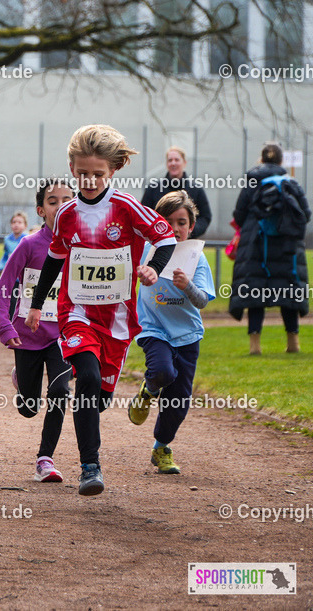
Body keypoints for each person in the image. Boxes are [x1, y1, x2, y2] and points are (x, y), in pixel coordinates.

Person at [26, 124, 177, 496]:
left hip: (118, 320)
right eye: (82, 173)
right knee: (88, 378)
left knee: (99, 397)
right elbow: (54, 260)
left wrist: (153, 268)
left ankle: (94, 409)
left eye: (97, 174)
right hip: (76, 312)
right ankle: (90, 467)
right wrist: (36, 305)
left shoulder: (126, 208)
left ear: (113, 170)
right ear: (72, 169)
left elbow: (165, 237)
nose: (89, 181)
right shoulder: (66, 214)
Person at [128, 191, 214, 475]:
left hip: (187, 335)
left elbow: (202, 300)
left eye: (181, 222)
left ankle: (161, 447)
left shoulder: (197, 258)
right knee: (163, 371)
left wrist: (187, 285)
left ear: (191, 226)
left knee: (178, 401)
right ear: (157, 223)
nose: (175, 229)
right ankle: (149, 389)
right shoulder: (145, 250)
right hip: (153, 329)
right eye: (168, 222)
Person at [0, 178, 75, 482]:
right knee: (29, 408)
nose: (60, 206)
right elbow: (2, 288)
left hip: (64, 336)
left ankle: (45, 459)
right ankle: (22, 381)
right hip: (27, 337)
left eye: (67, 200)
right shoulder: (29, 245)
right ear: (41, 210)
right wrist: (5, 326)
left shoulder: (81, 247)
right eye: (53, 201)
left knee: (60, 391)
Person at [229, 142, 311, 354]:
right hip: (287, 246)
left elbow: (239, 214)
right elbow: (306, 214)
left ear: (261, 159)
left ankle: (255, 345)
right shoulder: (290, 182)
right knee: (288, 292)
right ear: (281, 160)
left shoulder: (252, 182)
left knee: (255, 294)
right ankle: (293, 342)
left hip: (256, 246)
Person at [141, 146, 213, 238]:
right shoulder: (153, 188)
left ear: (184, 163)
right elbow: (144, 215)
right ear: (166, 164)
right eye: (170, 160)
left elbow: (205, 217)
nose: (173, 163)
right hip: (159, 241)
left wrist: (187, 230)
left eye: (177, 160)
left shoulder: (196, 189)